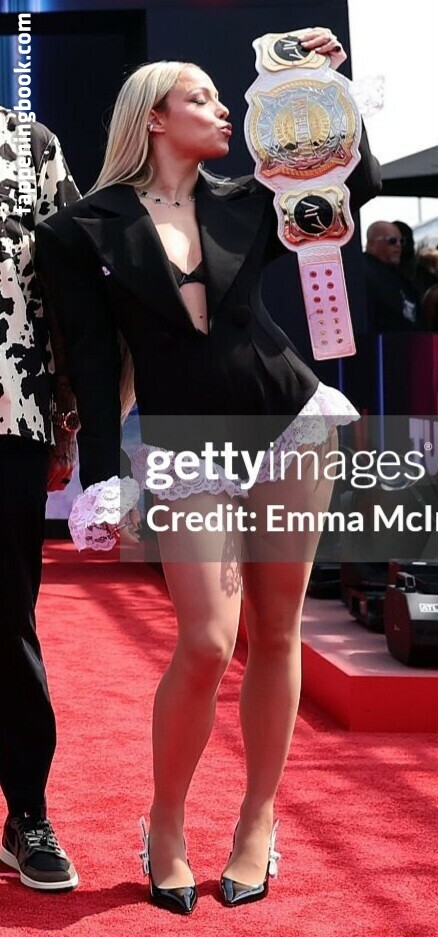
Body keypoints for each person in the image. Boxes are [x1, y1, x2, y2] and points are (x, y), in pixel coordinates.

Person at [35, 27, 381, 913]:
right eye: (202, 98)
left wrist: (320, 85)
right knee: (206, 641)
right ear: (154, 117)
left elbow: (355, 185)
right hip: (186, 441)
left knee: (278, 630)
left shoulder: (250, 200)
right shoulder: (80, 229)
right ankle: (167, 823)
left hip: (291, 424)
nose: (225, 109)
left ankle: (257, 822)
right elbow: (90, 358)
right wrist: (105, 478)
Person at [0, 105, 79, 890]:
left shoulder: (32, 145)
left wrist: (68, 418)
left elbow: (69, 285)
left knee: (7, 618)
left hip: (10, 416)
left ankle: (26, 812)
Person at [364, 220, 423, 331]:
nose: (398, 245)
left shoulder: (401, 277)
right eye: (392, 241)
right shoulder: (362, 271)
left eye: (401, 241)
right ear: (372, 243)